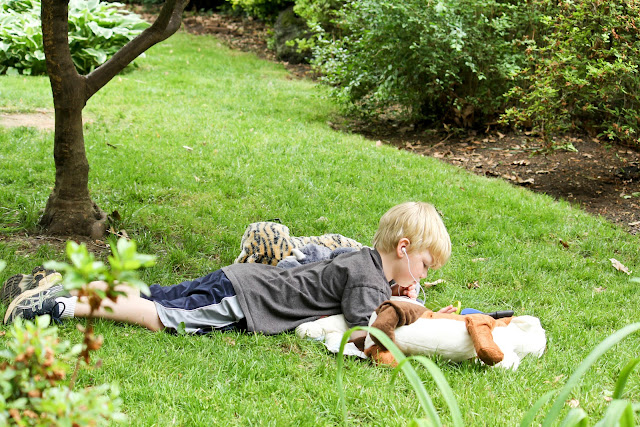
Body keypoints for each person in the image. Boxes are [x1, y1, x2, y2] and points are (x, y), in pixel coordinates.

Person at [3, 202, 456, 345]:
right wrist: (406, 309)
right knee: (161, 317)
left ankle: (65, 281)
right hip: (245, 300)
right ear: (403, 249)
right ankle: (61, 305)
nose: (421, 277)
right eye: (424, 266)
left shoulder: (356, 257)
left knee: (158, 294)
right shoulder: (370, 280)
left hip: (238, 277)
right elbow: (364, 333)